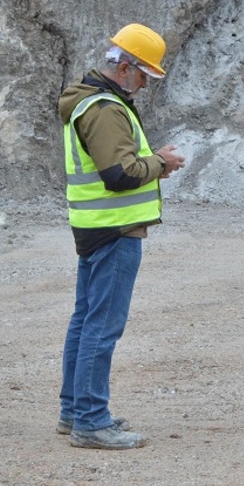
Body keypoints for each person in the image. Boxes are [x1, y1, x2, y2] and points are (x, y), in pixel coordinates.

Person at [57, 24, 186, 449]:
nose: (147, 84)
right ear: (126, 67)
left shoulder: (90, 102)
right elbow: (119, 174)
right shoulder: (106, 109)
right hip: (115, 231)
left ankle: (76, 411)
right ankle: (91, 421)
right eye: (145, 75)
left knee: (85, 321)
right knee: (101, 326)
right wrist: (160, 163)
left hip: (96, 229)